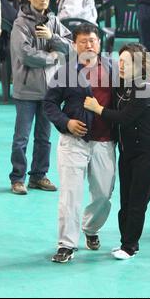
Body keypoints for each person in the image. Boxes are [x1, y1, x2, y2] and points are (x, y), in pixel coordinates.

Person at [84, 43, 150, 259]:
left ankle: (130, 246)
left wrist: (97, 108)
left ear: (139, 65)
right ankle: (124, 242)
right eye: (119, 61)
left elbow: (125, 118)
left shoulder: (145, 87)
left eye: (126, 63)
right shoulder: (120, 83)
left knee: (137, 202)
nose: (120, 66)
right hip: (127, 152)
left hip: (149, 153)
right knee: (125, 201)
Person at [44, 23, 117, 263]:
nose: (89, 45)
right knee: (70, 194)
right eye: (83, 41)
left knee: (104, 194)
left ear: (99, 43)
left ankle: (90, 227)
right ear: (74, 45)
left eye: (93, 40)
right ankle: (66, 244)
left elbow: (129, 98)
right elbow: (50, 105)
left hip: (104, 141)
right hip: (73, 141)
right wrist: (66, 123)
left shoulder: (113, 70)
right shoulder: (65, 72)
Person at [9, 0, 72, 195]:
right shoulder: (20, 24)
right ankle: (17, 178)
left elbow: (70, 46)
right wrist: (52, 57)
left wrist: (52, 36)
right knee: (22, 138)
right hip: (26, 90)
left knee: (44, 138)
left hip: (49, 91)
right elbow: (25, 54)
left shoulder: (53, 22)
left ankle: (38, 176)